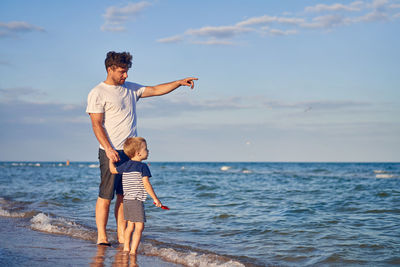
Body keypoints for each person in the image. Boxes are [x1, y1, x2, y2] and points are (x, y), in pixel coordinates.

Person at [86, 51, 197, 245]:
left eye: (127, 71)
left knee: (124, 195)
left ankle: (122, 236)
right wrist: (109, 149)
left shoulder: (131, 89)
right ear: (110, 69)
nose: (125, 75)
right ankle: (102, 236)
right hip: (110, 151)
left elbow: (155, 90)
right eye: (122, 71)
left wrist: (178, 82)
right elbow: (96, 124)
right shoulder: (98, 92)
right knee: (106, 195)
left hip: (130, 153)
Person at [108, 137, 161, 257]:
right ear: (138, 153)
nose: (148, 151)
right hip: (136, 200)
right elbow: (146, 184)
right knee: (140, 226)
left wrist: (111, 159)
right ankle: (133, 251)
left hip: (127, 200)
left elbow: (112, 170)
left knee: (130, 225)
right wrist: (155, 198)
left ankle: (126, 248)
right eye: (146, 149)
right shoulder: (143, 167)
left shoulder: (126, 165)